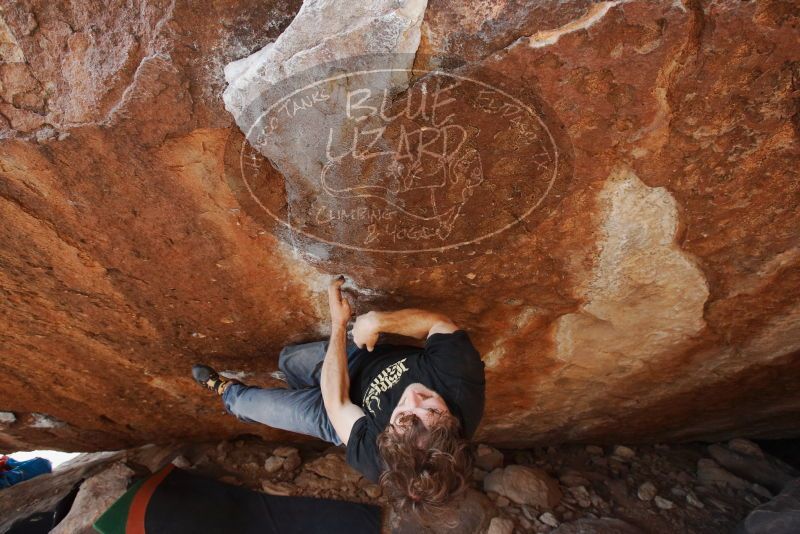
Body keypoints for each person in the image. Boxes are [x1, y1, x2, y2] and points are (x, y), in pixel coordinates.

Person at [192, 275, 485, 523]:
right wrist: (378, 322)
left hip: (340, 416)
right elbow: (439, 324)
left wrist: (338, 325)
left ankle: (227, 392)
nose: (412, 397)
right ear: (452, 423)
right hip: (363, 358)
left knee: (249, 405)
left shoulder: (377, 458)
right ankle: (295, 384)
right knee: (290, 360)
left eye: (401, 417)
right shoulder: (460, 380)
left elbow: (336, 404)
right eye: (430, 408)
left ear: (387, 439)